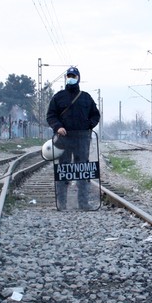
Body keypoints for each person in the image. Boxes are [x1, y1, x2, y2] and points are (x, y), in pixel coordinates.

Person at [45, 66, 100, 210]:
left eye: (73, 76)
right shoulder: (58, 97)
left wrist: (89, 125)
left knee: (82, 171)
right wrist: (58, 127)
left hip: (82, 140)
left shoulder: (86, 97)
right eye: (69, 76)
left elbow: (95, 115)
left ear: (78, 78)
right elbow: (51, 115)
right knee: (63, 171)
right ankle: (62, 203)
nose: (71, 78)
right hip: (63, 140)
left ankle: (83, 203)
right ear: (66, 78)